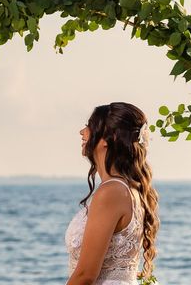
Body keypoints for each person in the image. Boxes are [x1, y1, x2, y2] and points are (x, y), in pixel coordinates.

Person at [65, 102, 159, 285]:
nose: (82, 132)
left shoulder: (111, 192)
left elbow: (86, 274)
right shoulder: (129, 189)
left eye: (90, 126)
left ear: (109, 138)